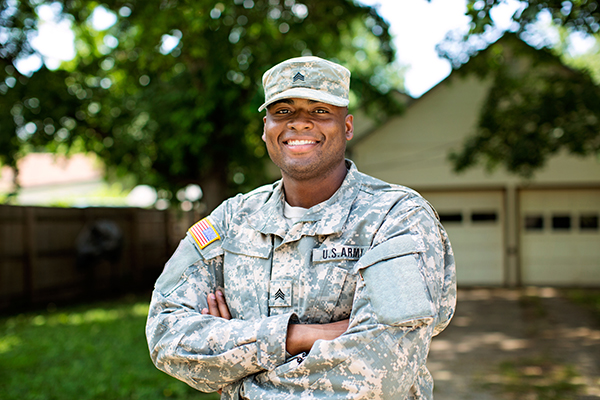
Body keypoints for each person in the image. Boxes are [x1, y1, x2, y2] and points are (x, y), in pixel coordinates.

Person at [146, 56, 456, 399]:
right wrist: (295, 336)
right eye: (283, 111)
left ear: (348, 126)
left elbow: (380, 368)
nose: (300, 123)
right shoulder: (232, 219)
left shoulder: (396, 216)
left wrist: (235, 371)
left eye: (320, 111)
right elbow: (165, 335)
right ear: (265, 128)